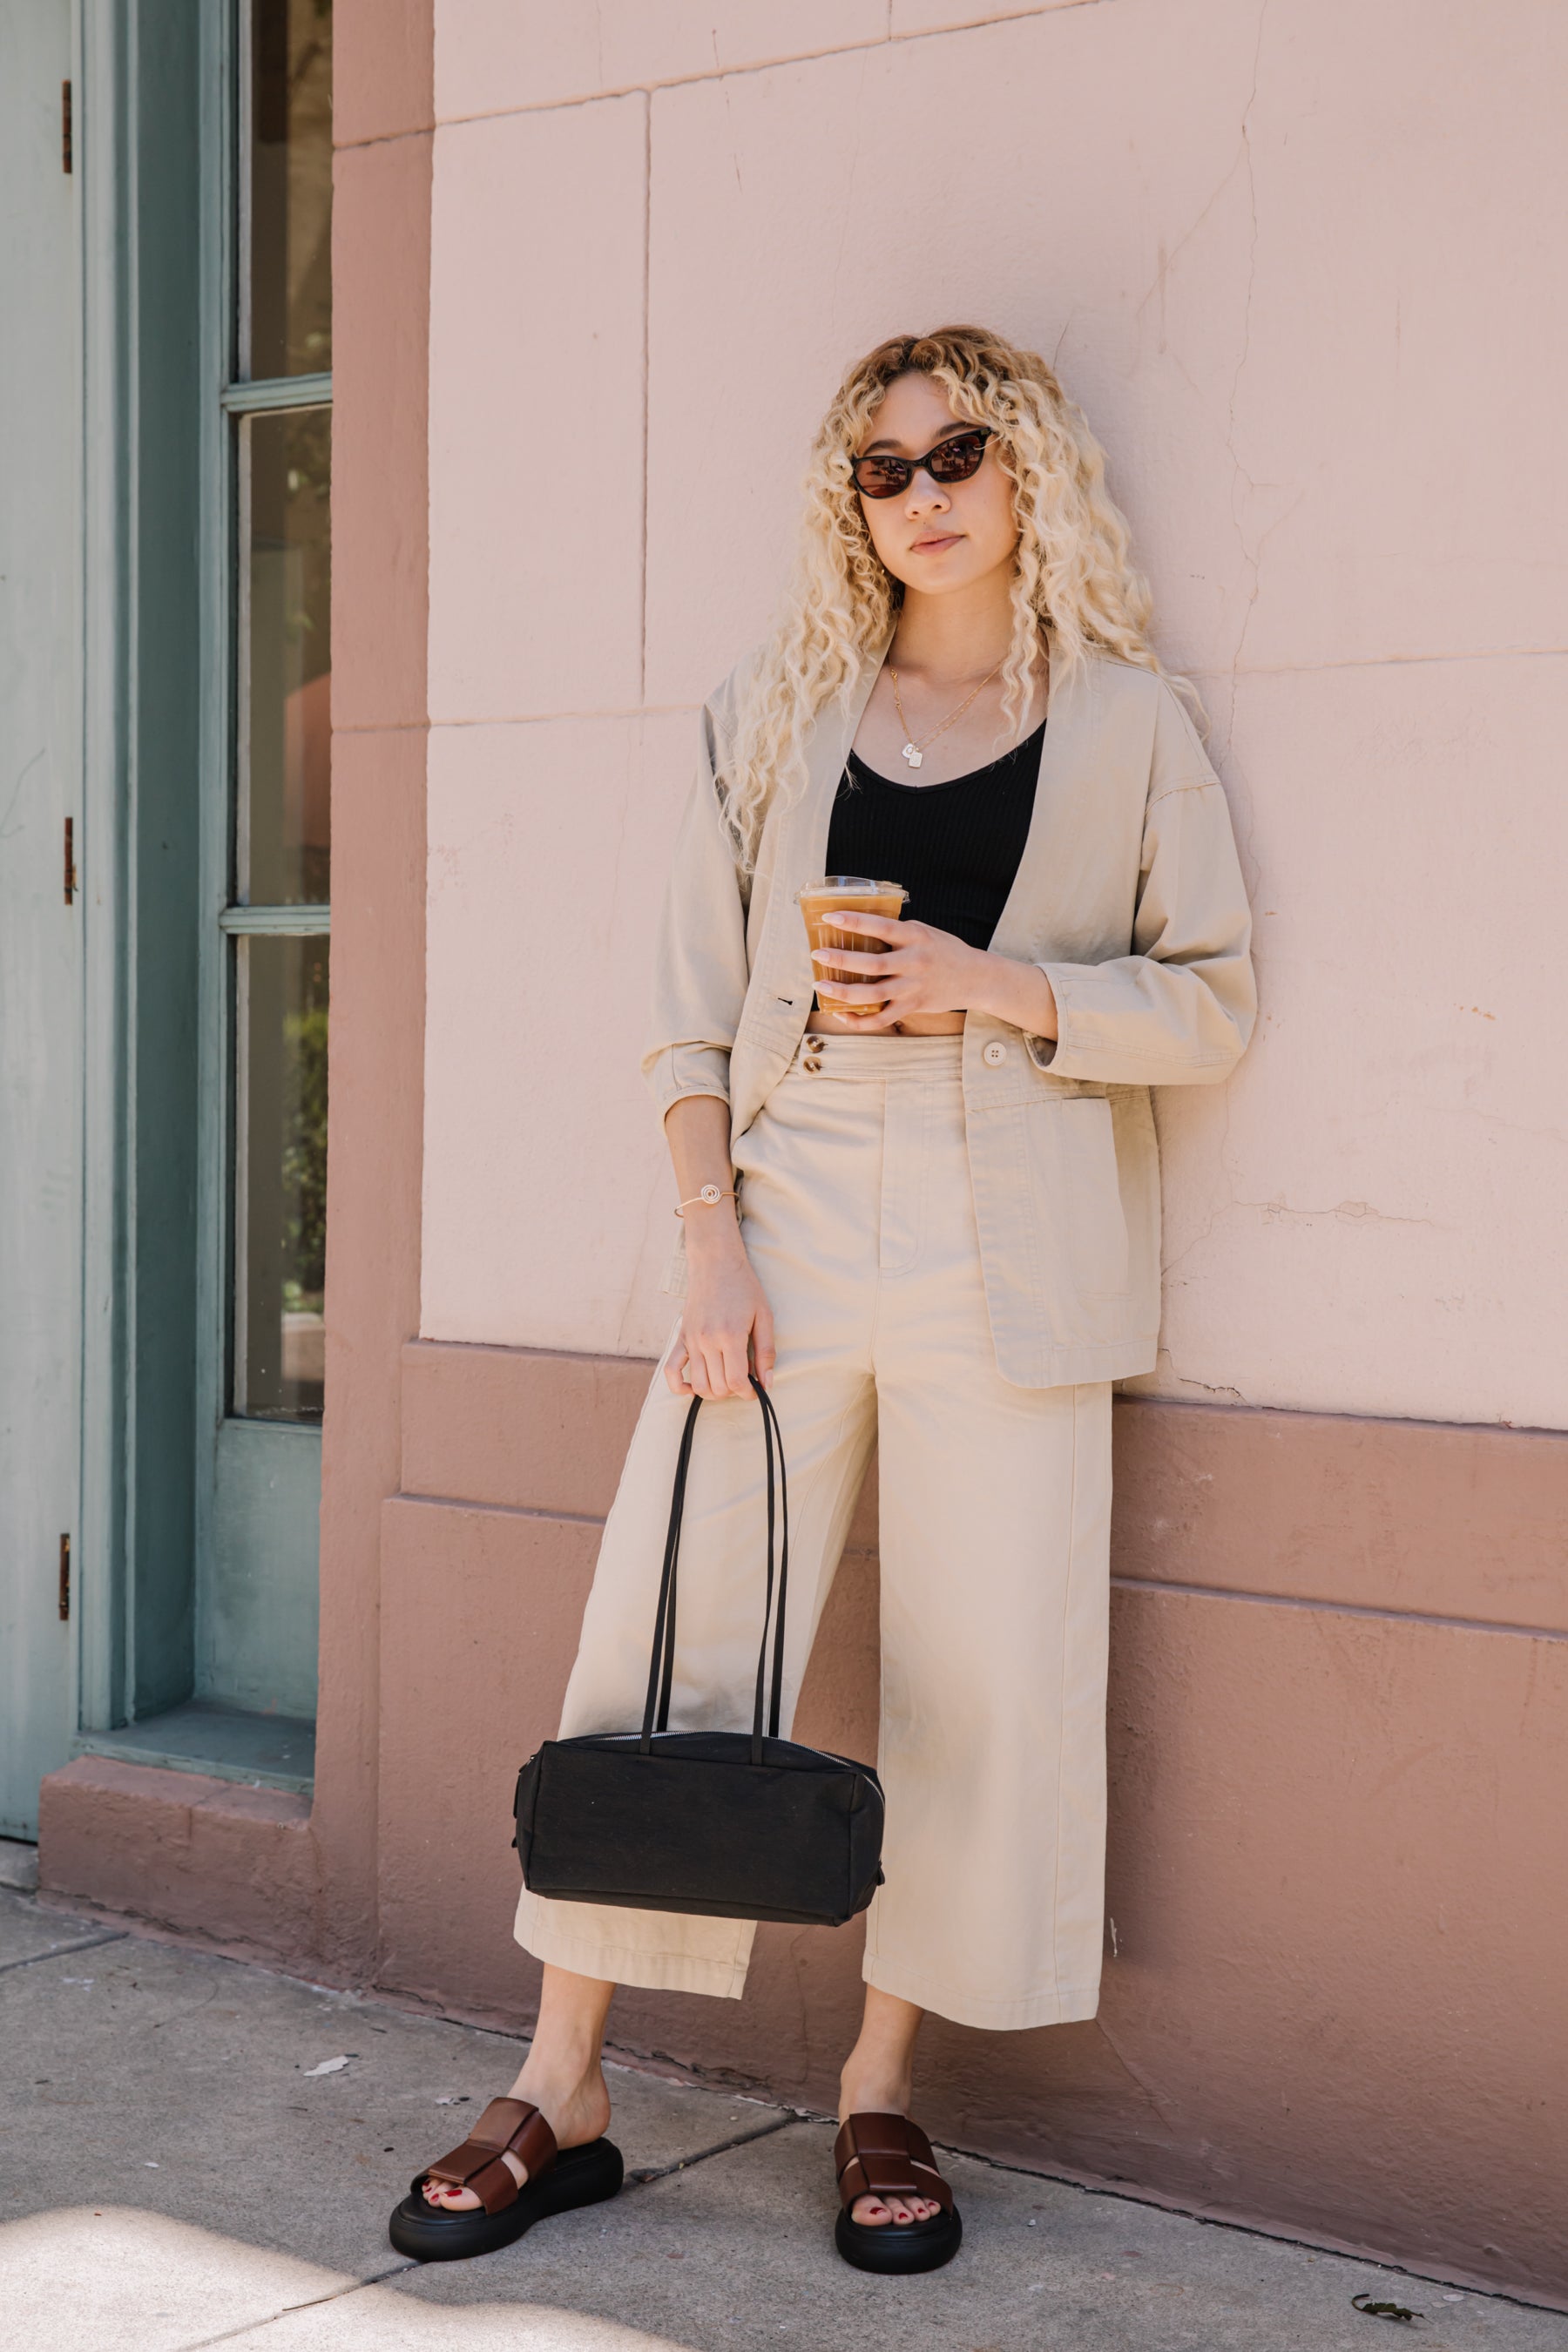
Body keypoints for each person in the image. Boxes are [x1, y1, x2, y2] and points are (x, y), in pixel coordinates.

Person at [389, 325, 1255, 2274]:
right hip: (789, 1199)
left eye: (960, 455)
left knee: (982, 1674)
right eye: (885, 467)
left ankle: (882, 2090)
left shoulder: (1125, 727)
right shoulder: (776, 708)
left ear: (1027, 472)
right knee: (668, 1629)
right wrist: (711, 1241)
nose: (925, 493)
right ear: (848, 501)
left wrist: (998, 985)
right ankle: (564, 2077)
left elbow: (1210, 999)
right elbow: (686, 1019)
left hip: (1017, 1221)